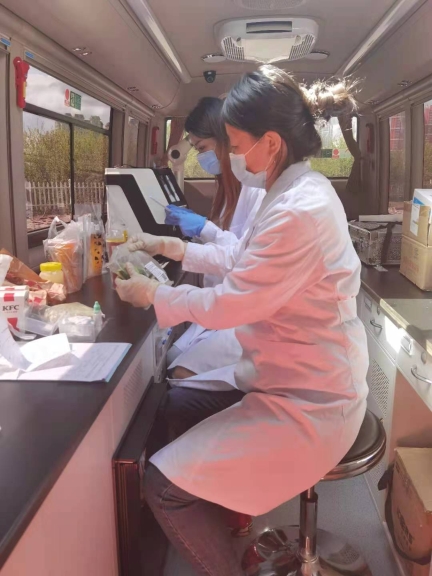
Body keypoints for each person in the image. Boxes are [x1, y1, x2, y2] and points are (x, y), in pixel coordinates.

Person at [116, 65, 369, 576]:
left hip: (312, 402)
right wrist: (175, 248)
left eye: (233, 145)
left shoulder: (299, 209)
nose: (230, 157)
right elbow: (241, 259)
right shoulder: (292, 191)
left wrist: (157, 294)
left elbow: (232, 304)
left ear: (269, 143)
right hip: (285, 377)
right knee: (177, 403)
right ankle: (225, 517)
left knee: (161, 488)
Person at [163, 97, 265, 387]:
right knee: (170, 356)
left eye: (201, 148)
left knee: (179, 375)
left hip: (247, 312)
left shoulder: (256, 190)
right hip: (226, 303)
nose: (200, 157)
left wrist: (202, 231)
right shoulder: (229, 187)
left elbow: (241, 256)